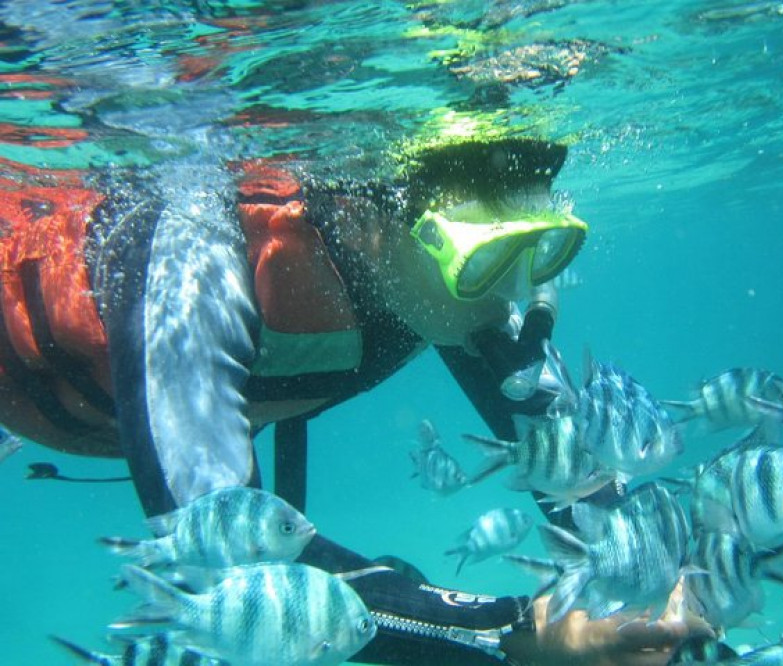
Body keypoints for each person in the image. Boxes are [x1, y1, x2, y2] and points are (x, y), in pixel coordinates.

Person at [0, 137, 708, 665]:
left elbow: (571, 459)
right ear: (367, 217)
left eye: (537, 255)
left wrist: (652, 589)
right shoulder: (193, 268)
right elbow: (221, 552)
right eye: (482, 261)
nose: (510, 296)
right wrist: (515, 628)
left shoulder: (423, 278)